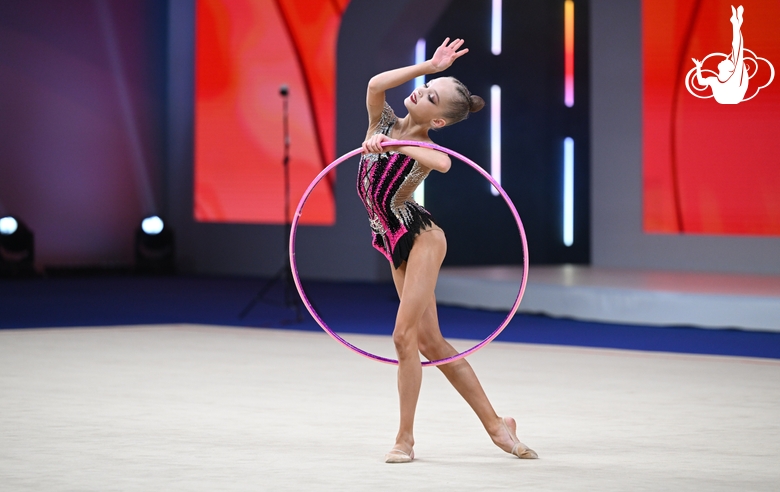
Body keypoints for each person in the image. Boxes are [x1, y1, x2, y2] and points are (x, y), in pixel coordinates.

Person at [357, 37, 538, 463]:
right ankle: (498, 426)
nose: (422, 91)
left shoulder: (424, 146)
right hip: (390, 239)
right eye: (427, 85)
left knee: (403, 336)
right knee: (432, 343)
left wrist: (392, 146)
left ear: (437, 122)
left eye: (431, 96)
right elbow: (374, 84)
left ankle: (405, 440)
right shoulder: (380, 123)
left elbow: (443, 164)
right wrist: (426, 66)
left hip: (420, 237)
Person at [692, 5, 748, 104]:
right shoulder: (716, 79)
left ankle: (736, 23)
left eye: (727, 61)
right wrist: (698, 67)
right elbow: (700, 82)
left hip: (732, 96)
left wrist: (736, 25)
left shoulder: (733, 77)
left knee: (737, 51)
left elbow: (737, 49)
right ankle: (736, 23)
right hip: (728, 97)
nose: (725, 59)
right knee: (737, 52)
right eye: (728, 60)